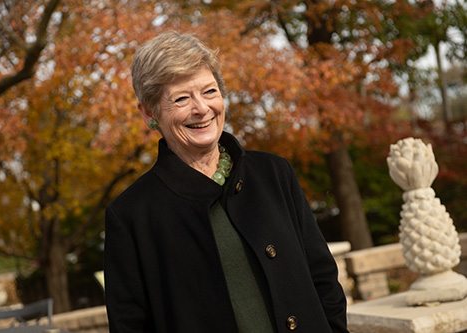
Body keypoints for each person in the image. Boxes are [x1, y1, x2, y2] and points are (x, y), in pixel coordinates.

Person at [104, 31, 348, 333]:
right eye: (181, 98)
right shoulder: (131, 215)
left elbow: (322, 278)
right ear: (149, 113)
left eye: (209, 91)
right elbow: (129, 325)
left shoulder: (274, 173)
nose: (202, 109)